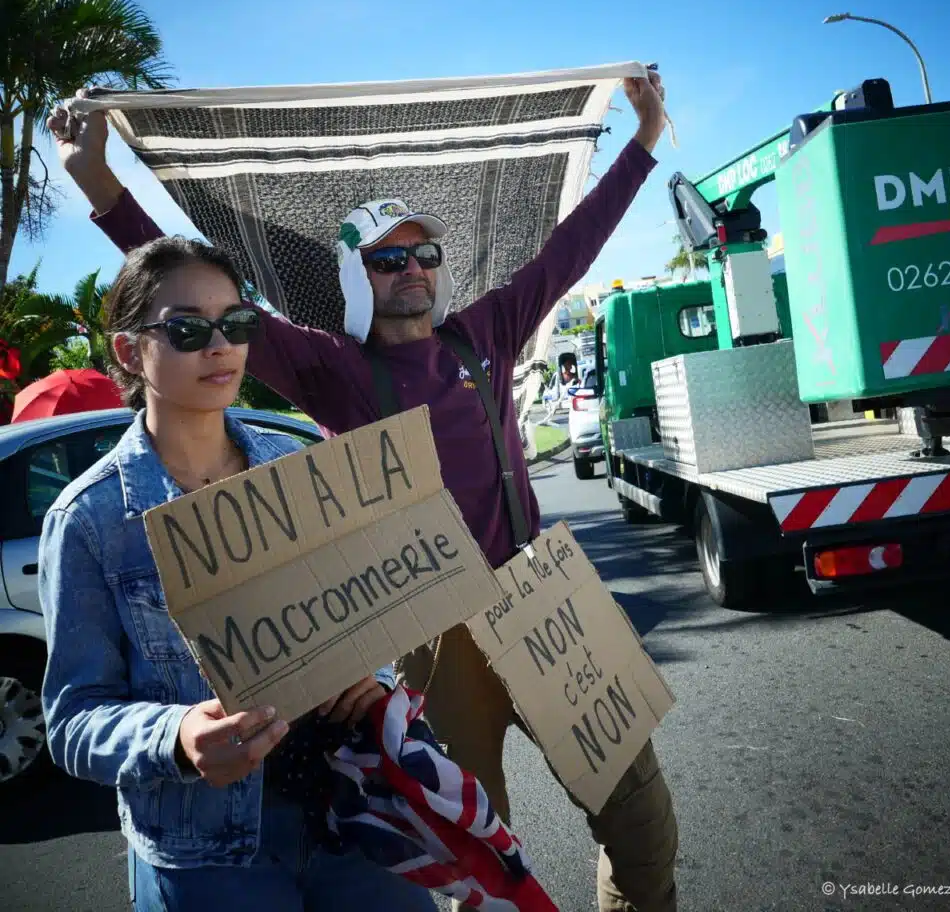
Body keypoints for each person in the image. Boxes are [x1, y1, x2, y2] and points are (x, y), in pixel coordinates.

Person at [49, 70, 679, 912]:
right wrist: (98, 183)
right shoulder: (332, 370)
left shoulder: (486, 330)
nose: (411, 269)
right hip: (431, 635)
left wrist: (642, 142)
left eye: (423, 254)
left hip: (539, 598)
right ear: (356, 275)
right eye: (386, 259)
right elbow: (191, 300)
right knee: (472, 863)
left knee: (642, 824)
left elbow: (573, 248)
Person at [37, 234, 437, 912]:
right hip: (209, 856)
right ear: (129, 352)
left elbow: (356, 613)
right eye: (188, 329)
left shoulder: (294, 466)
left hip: (355, 813)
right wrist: (177, 737)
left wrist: (369, 678)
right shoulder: (90, 519)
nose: (220, 345)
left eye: (237, 323)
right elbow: (73, 719)